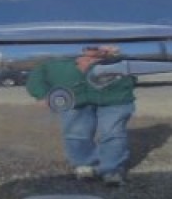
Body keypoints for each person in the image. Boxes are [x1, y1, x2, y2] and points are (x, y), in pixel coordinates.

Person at [26, 46, 136, 186]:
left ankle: (112, 169)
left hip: (115, 97)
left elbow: (133, 69)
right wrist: (41, 94)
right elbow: (39, 71)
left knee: (112, 133)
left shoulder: (117, 52)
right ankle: (85, 165)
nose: (93, 46)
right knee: (76, 133)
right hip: (73, 98)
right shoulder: (61, 50)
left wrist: (115, 55)